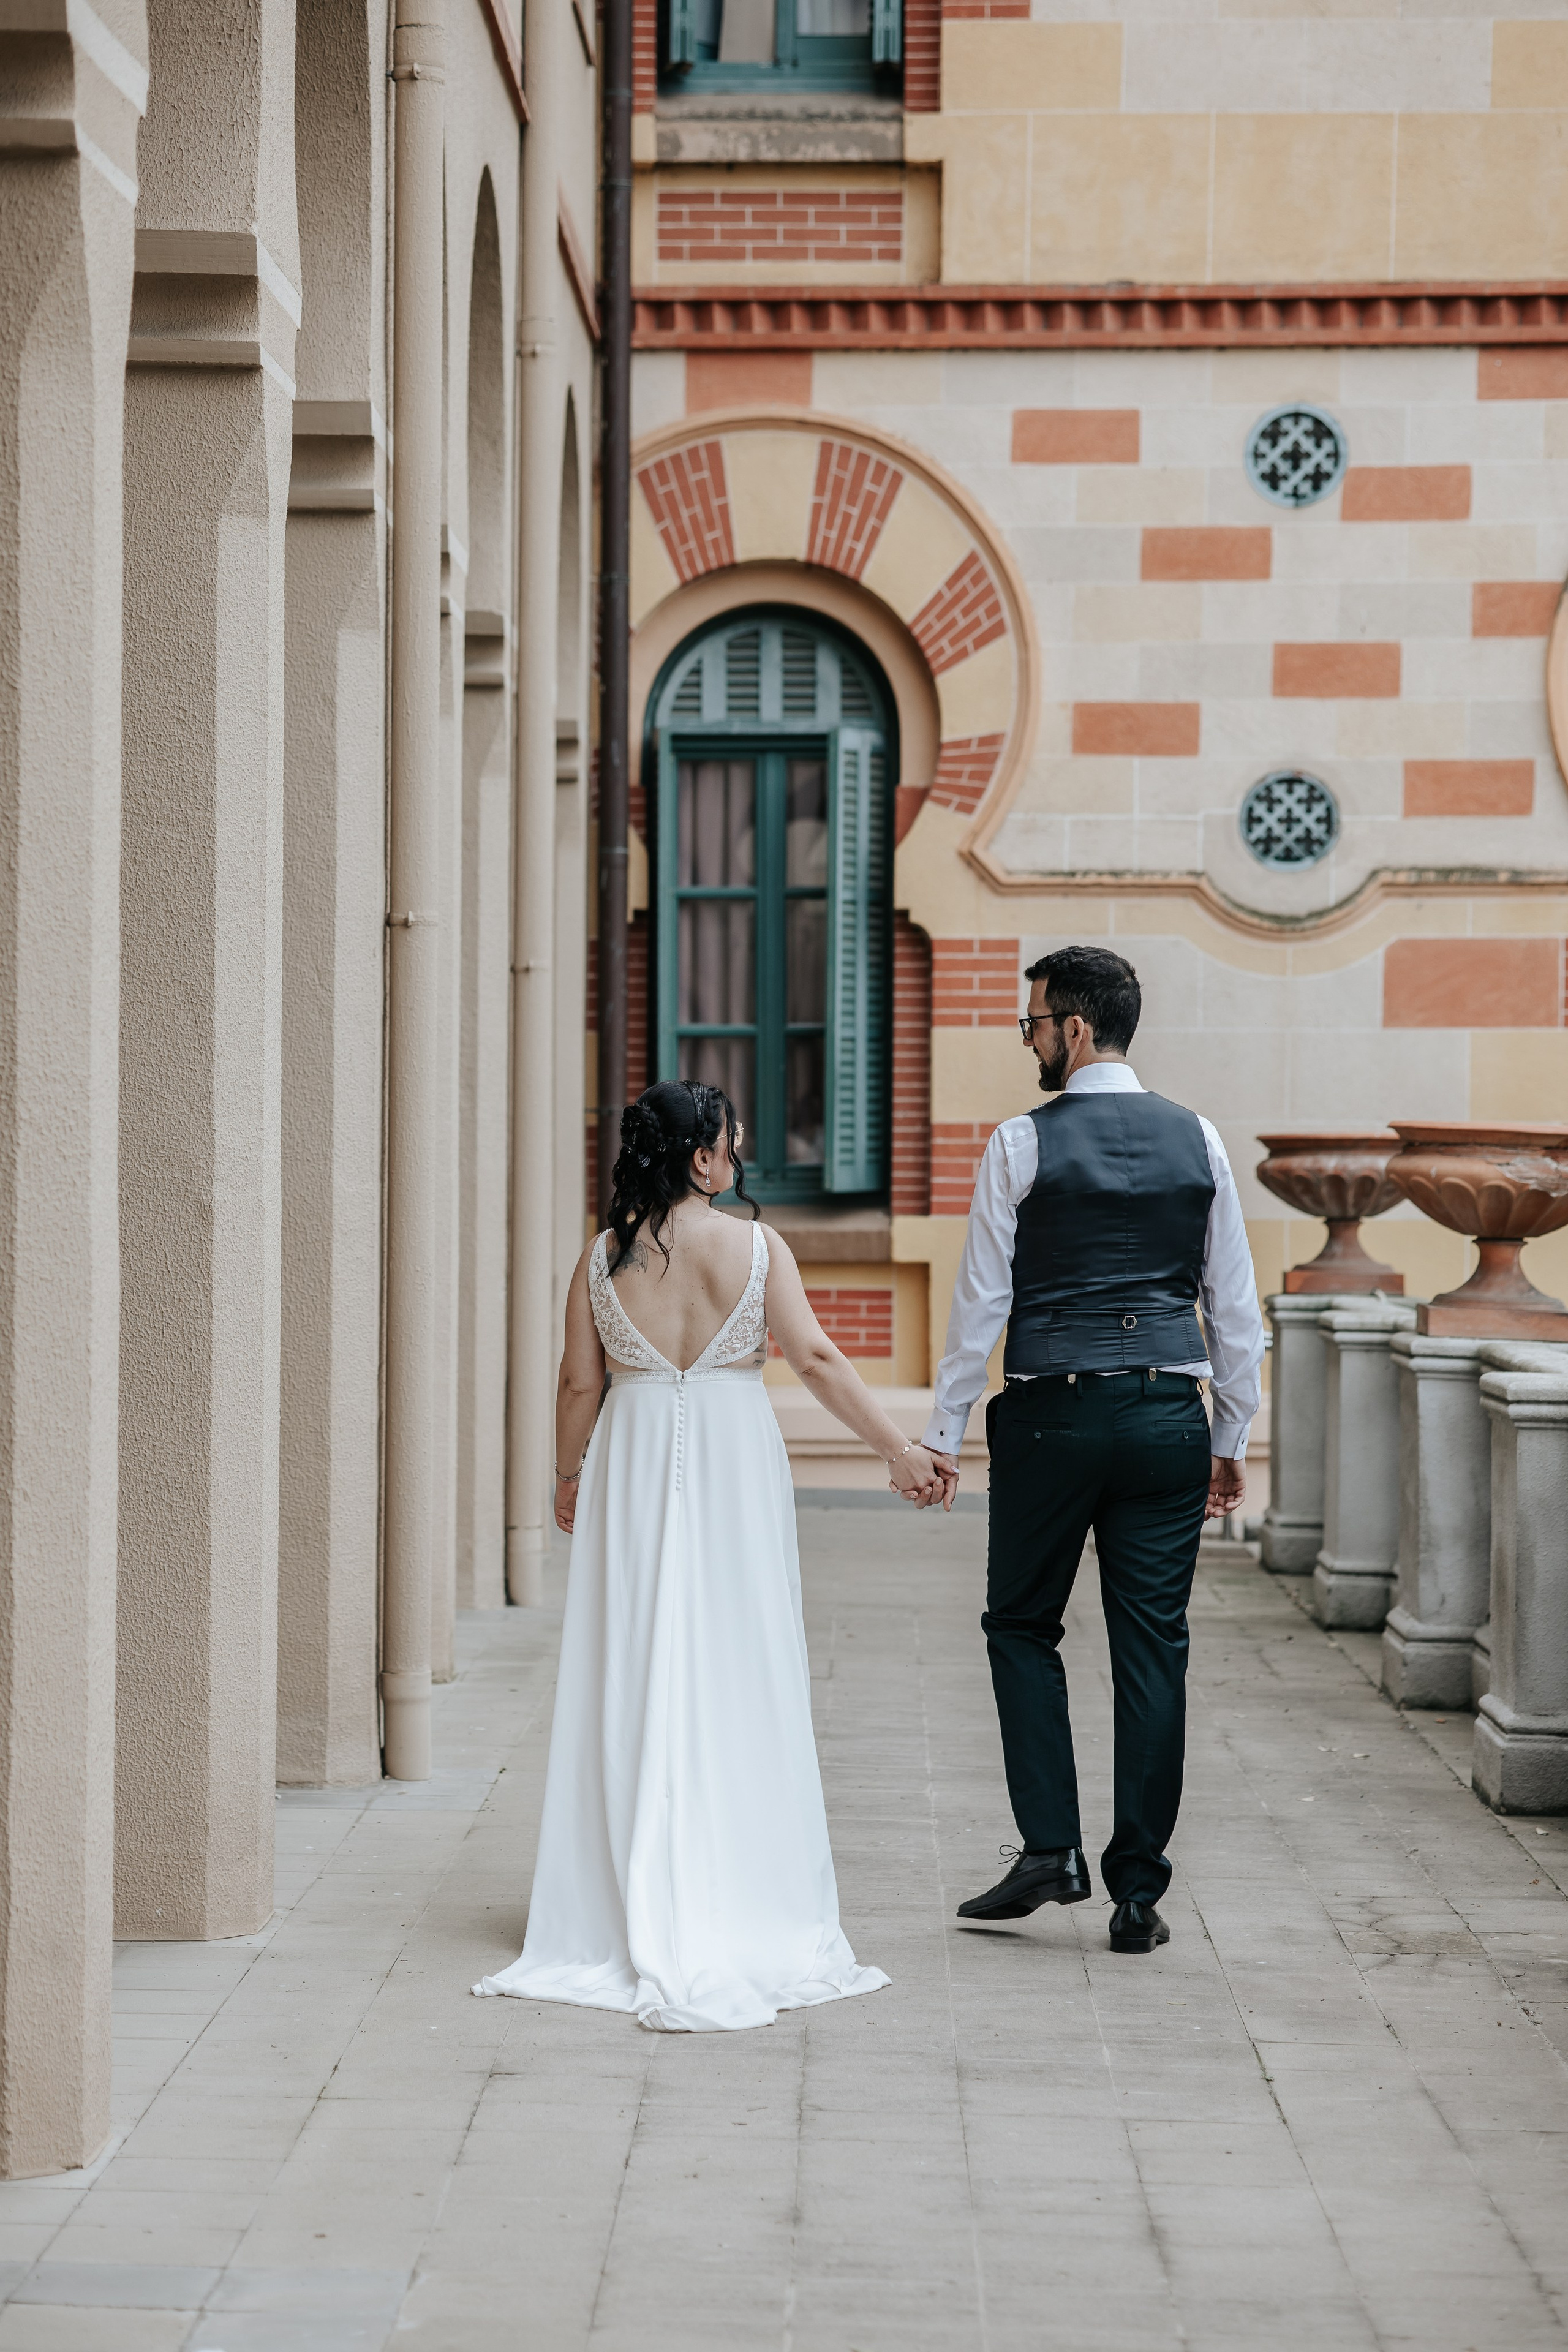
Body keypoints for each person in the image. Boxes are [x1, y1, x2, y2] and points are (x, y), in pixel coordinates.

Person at [473, 1078, 955, 2032]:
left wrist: (569, 1477)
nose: (738, 1157)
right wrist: (898, 1453)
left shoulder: (600, 1258)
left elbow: (579, 1382)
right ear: (703, 1157)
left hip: (634, 1458)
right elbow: (815, 1359)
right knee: (742, 1664)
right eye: (732, 1142)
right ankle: (741, 1890)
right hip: (734, 1462)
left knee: (635, 1663)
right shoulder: (757, 1246)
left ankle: (621, 1891)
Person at [925, 946, 1264, 1956]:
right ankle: (1137, 1893)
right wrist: (1233, 1435)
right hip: (1169, 1413)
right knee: (1152, 1645)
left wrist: (943, 1434)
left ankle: (1049, 1854)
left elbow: (982, 1301)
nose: (1028, 1039)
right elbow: (1234, 1307)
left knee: (1023, 1626)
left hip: (1051, 1416)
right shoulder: (1199, 1138)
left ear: (1075, 1029)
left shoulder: (1019, 1144)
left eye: (1033, 1023)